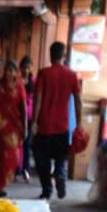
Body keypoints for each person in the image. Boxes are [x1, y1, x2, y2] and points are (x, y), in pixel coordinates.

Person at [31, 42, 82, 200]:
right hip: (63, 126)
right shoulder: (72, 75)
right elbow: (78, 100)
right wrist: (79, 123)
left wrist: (34, 121)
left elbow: (38, 98)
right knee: (61, 155)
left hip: (45, 126)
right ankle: (60, 173)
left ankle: (47, 190)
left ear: (50, 54)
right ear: (64, 55)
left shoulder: (43, 73)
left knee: (42, 159)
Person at [0, 60, 28, 197]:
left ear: (16, 72)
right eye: (8, 70)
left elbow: (24, 109)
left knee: (11, 157)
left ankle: (1, 184)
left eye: (12, 70)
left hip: (13, 127)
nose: (10, 73)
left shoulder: (20, 87)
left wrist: (26, 128)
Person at [18, 55, 35, 181]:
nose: (26, 70)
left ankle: (26, 169)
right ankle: (16, 168)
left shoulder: (33, 81)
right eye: (24, 67)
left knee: (27, 144)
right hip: (17, 115)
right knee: (17, 143)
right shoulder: (17, 80)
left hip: (29, 116)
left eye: (28, 68)